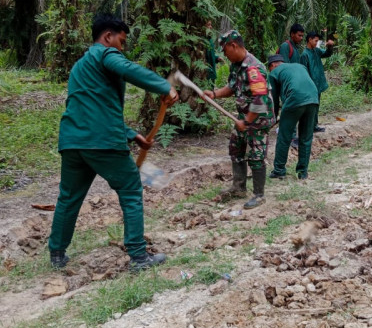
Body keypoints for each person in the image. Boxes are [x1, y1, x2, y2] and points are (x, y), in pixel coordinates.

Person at [48, 14, 179, 272]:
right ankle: (139, 256)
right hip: (102, 142)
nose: (122, 48)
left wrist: (131, 134)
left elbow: (92, 106)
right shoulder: (105, 54)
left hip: (73, 142)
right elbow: (128, 69)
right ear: (108, 37)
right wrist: (163, 86)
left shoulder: (79, 68)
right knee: (130, 188)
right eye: (121, 41)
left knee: (69, 197)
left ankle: (57, 253)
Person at [204, 30, 275, 209]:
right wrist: (214, 94)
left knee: (256, 156)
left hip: (258, 119)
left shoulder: (253, 68)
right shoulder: (236, 66)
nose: (224, 55)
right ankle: (239, 188)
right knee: (235, 149)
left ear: (233, 45)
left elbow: (260, 99)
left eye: (225, 50)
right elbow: (231, 87)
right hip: (244, 117)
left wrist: (247, 121)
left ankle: (259, 195)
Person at [267, 54, 319, 180]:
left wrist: (273, 118)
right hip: (313, 98)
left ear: (272, 65)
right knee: (306, 137)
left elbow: (274, 99)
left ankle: (279, 170)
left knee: (284, 135)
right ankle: (303, 172)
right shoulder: (300, 66)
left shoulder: (273, 73)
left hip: (295, 99)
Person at [300, 30, 335, 132]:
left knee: (316, 105)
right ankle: (309, 126)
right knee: (311, 106)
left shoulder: (317, 51)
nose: (316, 43)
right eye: (315, 41)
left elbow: (327, 54)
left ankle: (314, 125)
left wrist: (330, 47)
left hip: (318, 84)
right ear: (309, 40)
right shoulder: (305, 55)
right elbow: (303, 72)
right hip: (310, 85)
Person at [205, 20, 221, 88]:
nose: (211, 27)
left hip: (211, 71)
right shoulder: (202, 41)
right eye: (209, 25)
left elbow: (211, 54)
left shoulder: (210, 39)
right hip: (205, 73)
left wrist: (217, 58)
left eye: (211, 25)